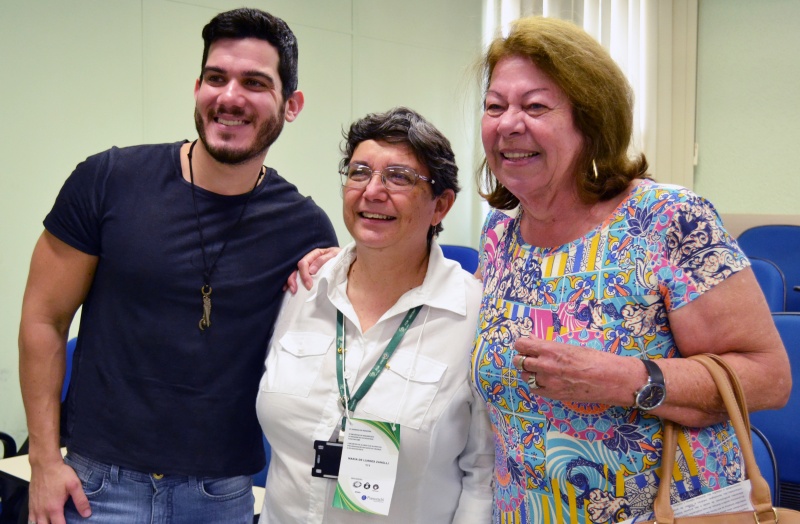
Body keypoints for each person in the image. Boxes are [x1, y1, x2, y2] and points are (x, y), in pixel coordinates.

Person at [292, 16, 792, 524]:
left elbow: (769, 378)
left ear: (590, 121)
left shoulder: (668, 220)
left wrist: (628, 378)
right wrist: (363, 260)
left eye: (535, 106)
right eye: (495, 107)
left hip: (665, 511)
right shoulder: (502, 233)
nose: (509, 124)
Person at [18, 8, 336, 524]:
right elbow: (43, 320)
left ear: (291, 104)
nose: (229, 97)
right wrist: (44, 460)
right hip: (95, 487)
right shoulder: (108, 180)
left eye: (254, 82)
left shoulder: (304, 228)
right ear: (198, 87)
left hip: (222, 495)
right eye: (216, 78)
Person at [256, 107, 494, 523]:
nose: (372, 190)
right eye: (360, 171)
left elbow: (482, 476)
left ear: (441, 206)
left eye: (399, 177)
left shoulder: (473, 315)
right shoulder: (303, 289)